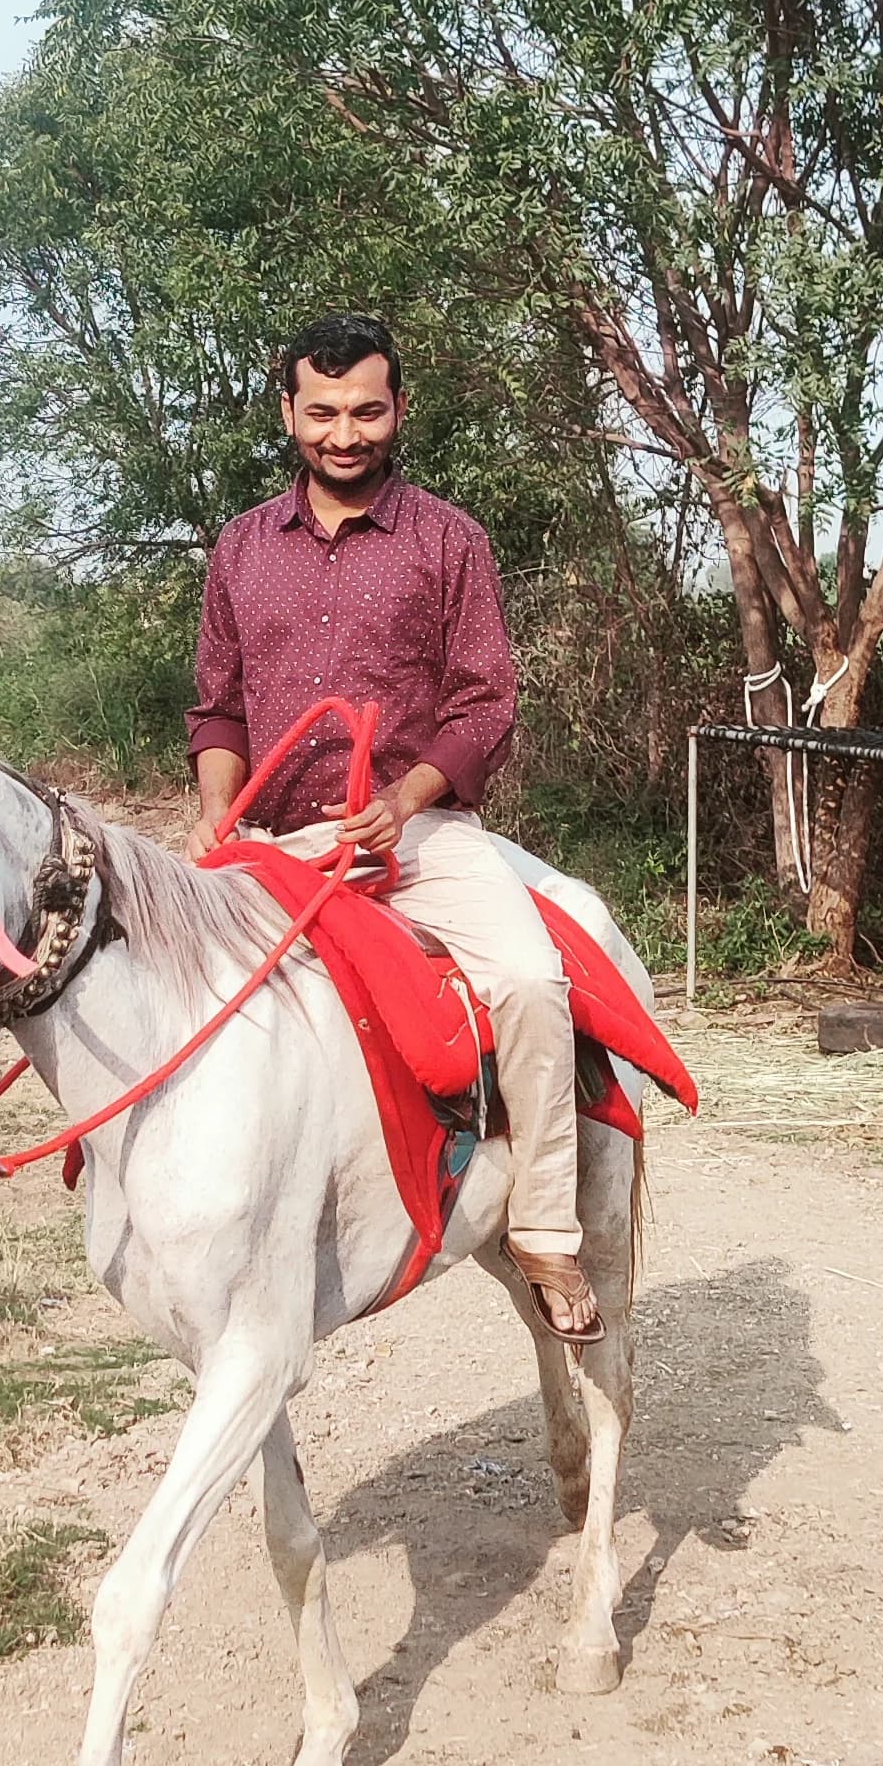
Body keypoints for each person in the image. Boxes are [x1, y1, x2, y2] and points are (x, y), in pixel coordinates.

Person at [186, 315, 599, 1341]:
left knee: (530, 982)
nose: (344, 433)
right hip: (276, 842)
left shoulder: (450, 540)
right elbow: (220, 707)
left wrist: (403, 801)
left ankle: (545, 1227)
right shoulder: (240, 546)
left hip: (416, 836)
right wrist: (211, 811)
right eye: (321, 412)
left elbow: (484, 703)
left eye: (367, 409)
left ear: (399, 409)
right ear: (287, 413)